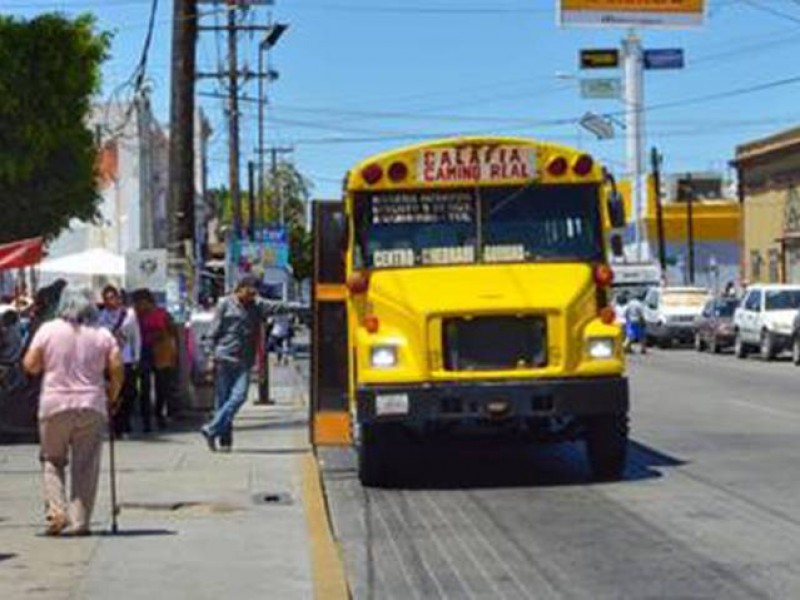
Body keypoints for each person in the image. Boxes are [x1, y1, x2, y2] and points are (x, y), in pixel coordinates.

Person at [22, 287, 123, 536]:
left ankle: (57, 511)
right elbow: (117, 366)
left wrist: (52, 362)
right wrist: (113, 393)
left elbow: (30, 365)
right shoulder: (102, 334)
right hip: (91, 404)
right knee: (86, 464)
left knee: (52, 460)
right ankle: (81, 522)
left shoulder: (48, 330)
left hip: (55, 404)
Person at [200, 275, 279, 452]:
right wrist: (210, 357)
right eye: (249, 293)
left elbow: (279, 307)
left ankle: (211, 429)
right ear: (240, 289)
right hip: (224, 357)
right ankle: (224, 440)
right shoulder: (224, 304)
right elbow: (212, 332)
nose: (251, 297)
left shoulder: (258, 305)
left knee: (239, 397)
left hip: (243, 360)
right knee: (223, 401)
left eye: (254, 294)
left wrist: (311, 306)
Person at [132, 289, 178, 432]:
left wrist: (174, 353)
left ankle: (159, 415)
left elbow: (173, 333)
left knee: (161, 388)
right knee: (144, 388)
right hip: (143, 353)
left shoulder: (162, 314)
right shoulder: (134, 317)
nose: (138, 306)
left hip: (162, 354)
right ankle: (146, 420)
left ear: (148, 302)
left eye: (140, 303)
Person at [98, 286, 141, 436]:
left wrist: (137, 356)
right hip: (109, 359)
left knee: (129, 393)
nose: (110, 301)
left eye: (113, 297)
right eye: (107, 298)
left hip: (126, 358)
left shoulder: (129, 314)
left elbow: (136, 336)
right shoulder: (101, 316)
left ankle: (125, 421)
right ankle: (115, 424)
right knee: (112, 393)